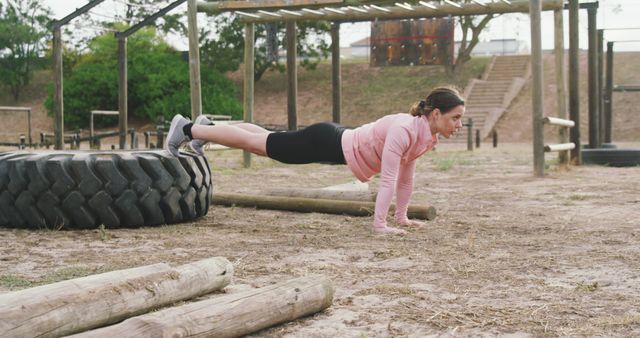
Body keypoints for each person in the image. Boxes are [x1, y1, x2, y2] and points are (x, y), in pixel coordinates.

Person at [166, 86, 465, 235]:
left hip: (333, 140)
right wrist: (380, 225)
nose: (459, 125)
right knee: (262, 145)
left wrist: (401, 218)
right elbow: (388, 178)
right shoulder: (404, 129)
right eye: (456, 118)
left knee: (264, 141)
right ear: (435, 114)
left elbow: (406, 177)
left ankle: (208, 128)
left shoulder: (425, 136)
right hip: (326, 142)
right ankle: (189, 128)